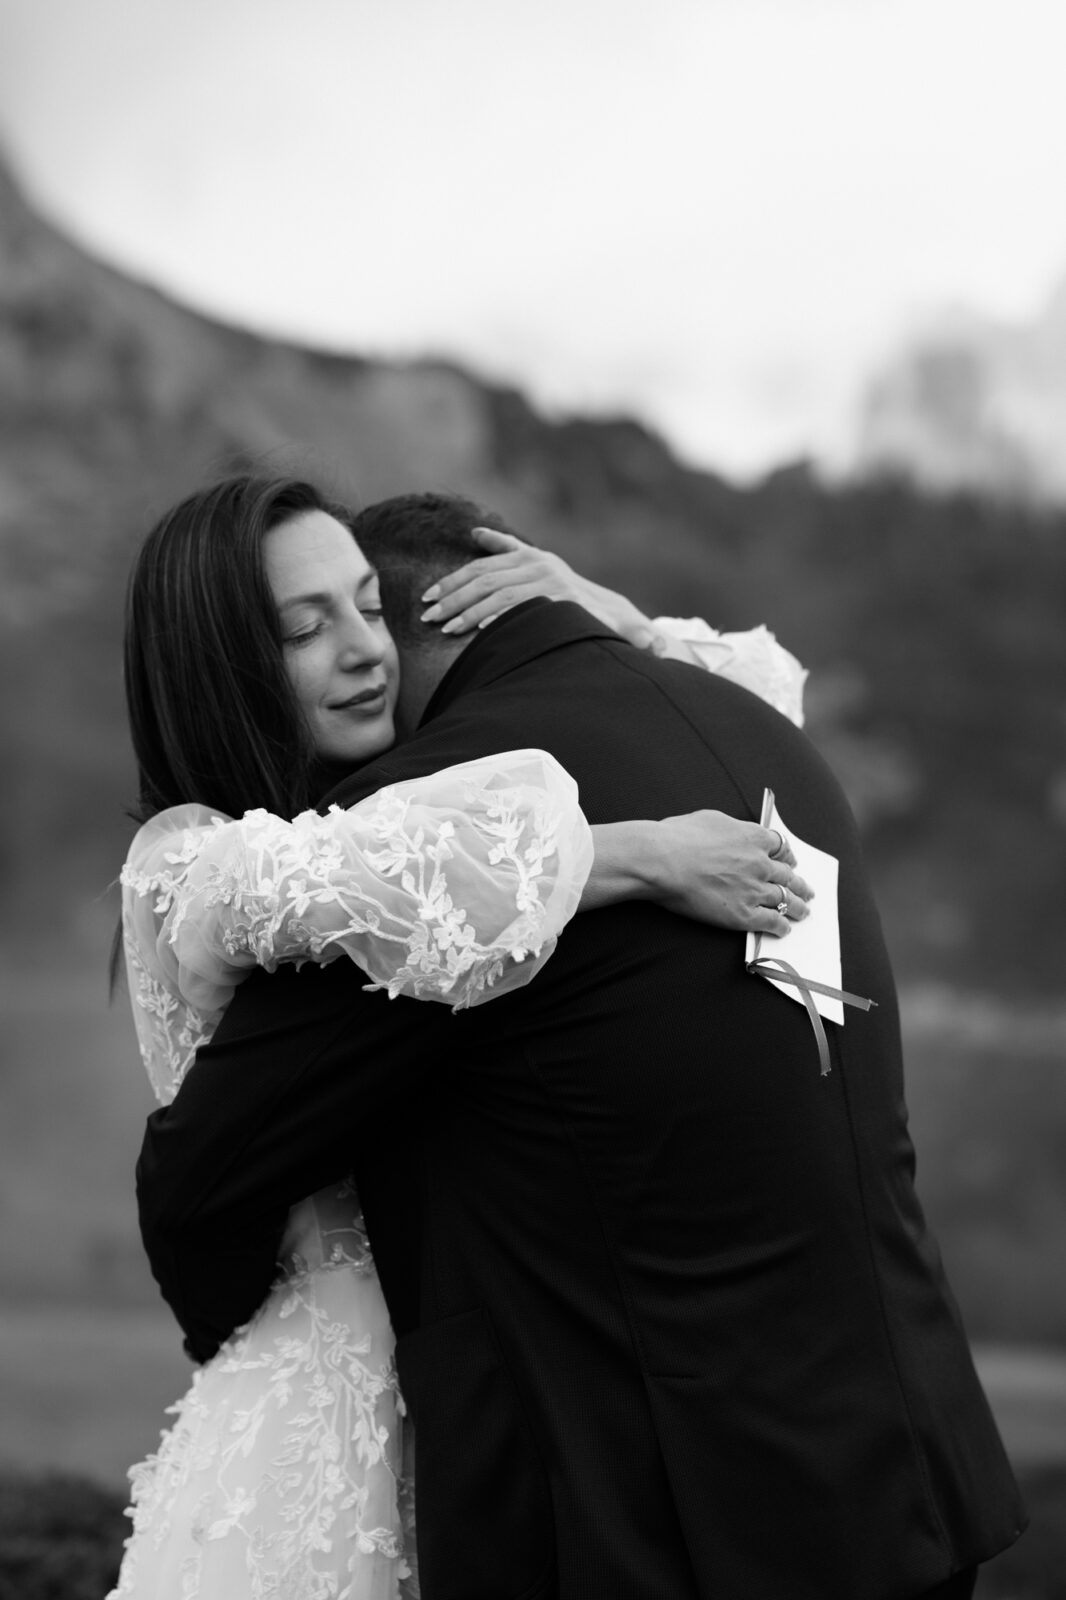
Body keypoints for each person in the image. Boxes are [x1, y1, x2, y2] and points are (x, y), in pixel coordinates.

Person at [135, 488, 1026, 1600]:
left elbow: (204, 1176)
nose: (360, 653)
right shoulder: (755, 731)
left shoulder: (427, 827)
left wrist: (253, 1356)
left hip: (670, 1527)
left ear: (439, 611)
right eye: (307, 625)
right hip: (911, 1483)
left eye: (366, 609)